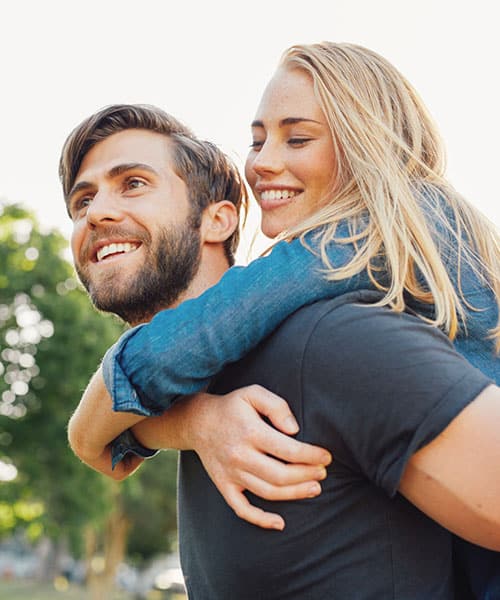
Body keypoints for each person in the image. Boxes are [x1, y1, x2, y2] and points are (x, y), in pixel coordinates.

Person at [64, 39, 500, 596]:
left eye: (298, 137)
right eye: (257, 139)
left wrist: (95, 429)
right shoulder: (439, 241)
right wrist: (191, 423)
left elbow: (194, 335)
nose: (263, 161)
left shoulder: (343, 256)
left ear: (367, 146)